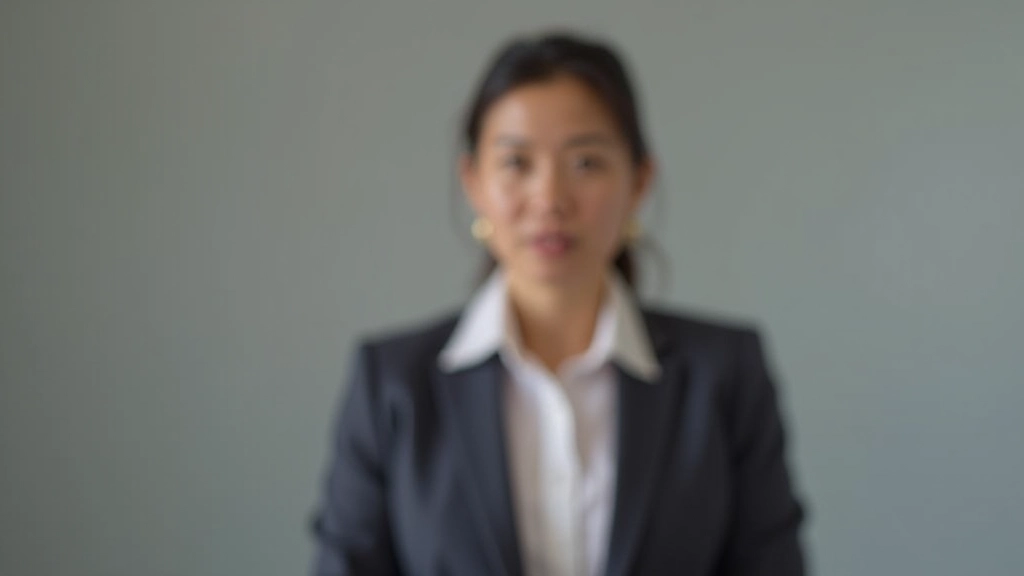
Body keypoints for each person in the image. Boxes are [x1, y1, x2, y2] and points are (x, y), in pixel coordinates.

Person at [310, 31, 807, 576]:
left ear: (639, 181)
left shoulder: (725, 374)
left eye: (586, 163)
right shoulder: (392, 383)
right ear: (473, 181)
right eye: (516, 162)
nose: (549, 199)